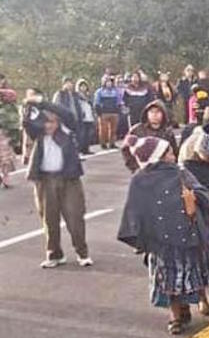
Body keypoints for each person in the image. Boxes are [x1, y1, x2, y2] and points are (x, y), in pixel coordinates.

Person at [118, 135, 209, 333]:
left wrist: (195, 196)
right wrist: (141, 236)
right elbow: (136, 211)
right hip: (161, 240)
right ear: (158, 156)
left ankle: (193, 304)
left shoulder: (180, 173)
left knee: (189, 273)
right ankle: (175, 315)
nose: (173, 155)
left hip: (185, 233)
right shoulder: (140, 180)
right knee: (168, 278)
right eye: (168, 152)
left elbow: (200, 191)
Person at [22, 96, 93, 268]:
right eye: (45, 122)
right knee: (49, 219)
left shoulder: (67, 131)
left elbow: (67, 114)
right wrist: (28, 105)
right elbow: (26, 121)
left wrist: (42, 102)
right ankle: (54, 254)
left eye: (52, 122)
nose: (49, 125)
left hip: (69, 180)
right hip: (45, 181)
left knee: (75, 217)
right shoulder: (37, 134)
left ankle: (82, 253)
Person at [121, 100, 179, 173]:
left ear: (163, 114)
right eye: (151, 112)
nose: (154, 115)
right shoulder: (137, 130)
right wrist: (134, 166)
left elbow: (174, 151)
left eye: (158, 112)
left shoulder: (167, 132)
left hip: (163, 171)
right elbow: (125, 149)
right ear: (147, 113)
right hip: (142, 170)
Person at [93, 74, 123, 149]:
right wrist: (98, 112)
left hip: (114, 112)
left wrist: (118, 109)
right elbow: (96, 103)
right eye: (107, 81)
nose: (109, 83)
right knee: (103, 130)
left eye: (110, 81)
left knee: (113, 129)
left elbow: (119, 101)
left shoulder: (115, 91)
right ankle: (103, 143)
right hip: (104, 112)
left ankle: (112, 143)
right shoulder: (99, 91)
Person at [0, 85, 18, 187]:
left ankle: (5, 177)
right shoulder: (9, 108)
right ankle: (5, 178)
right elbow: (13, 123)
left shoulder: (10, 108)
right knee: (5, 158)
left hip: (5, 134)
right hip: (5, 135)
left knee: (4, 158)